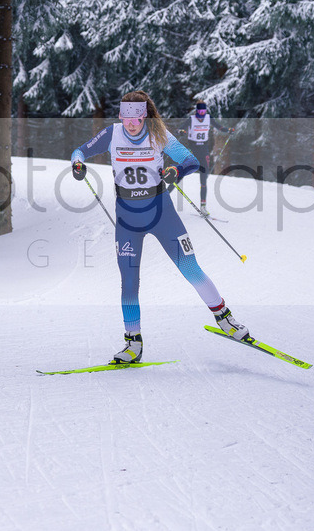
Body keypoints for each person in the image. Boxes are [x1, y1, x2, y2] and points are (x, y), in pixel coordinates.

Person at [71, 90, 248, 365]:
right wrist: (78, 163)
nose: (132, 124)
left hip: (162, 214)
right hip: (128, 219)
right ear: (120, 115)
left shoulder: (157, 134)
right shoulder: (112, 134)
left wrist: (176, 172)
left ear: (145, 115)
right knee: (129, 283)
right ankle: (133, 343)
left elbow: (191, 160)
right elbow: (79, 150)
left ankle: (224, 318)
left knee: (190, 267)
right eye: (126, 117)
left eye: (137, 117)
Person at [181, 101, 232, 216]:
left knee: (204, 179)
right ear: (197, 111)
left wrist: (228, 130)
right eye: (200, 111)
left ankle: (203, 206)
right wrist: (181, 131)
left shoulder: (209, 118)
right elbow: (182, 127)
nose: (202, 114)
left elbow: (219, 127)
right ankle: (166, 197)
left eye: (204, 111)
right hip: (193, 149)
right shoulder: (192, 119)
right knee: (181, 173)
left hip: (204, 150)